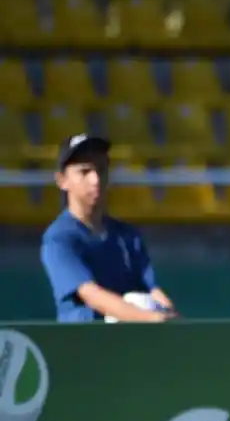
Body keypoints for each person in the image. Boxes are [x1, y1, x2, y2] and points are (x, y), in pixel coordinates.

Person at [39, 134, 177, 323]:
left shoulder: (127, 235)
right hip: (84, 346)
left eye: (101, 169)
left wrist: (172, 318)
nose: (95, 179)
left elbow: (153, 290)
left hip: (132, 344)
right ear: (62, 180)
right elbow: (90, 294)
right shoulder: (59, 238)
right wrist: (149, 318)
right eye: (84, 171)